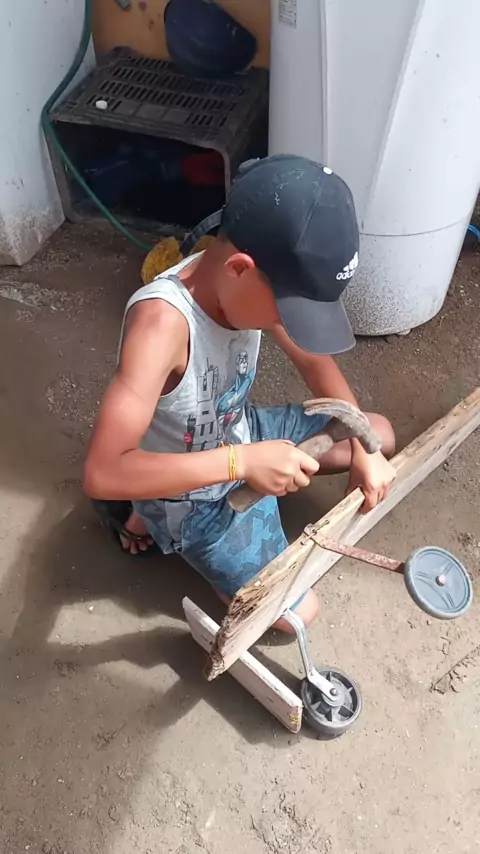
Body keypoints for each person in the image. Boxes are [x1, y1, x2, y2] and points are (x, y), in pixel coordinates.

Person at [83, 155, 396, 632]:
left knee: (377, 433)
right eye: (288, 313)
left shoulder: (250, 283)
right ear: (239, 269)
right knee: (298, 615)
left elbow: (314, 362)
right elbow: (102, 472)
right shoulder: (162, 325)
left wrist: (365, 451)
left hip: (239, 431)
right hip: (191, 495)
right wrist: (243, 464)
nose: (287, 325)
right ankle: (150, 517)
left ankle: (162, 518)